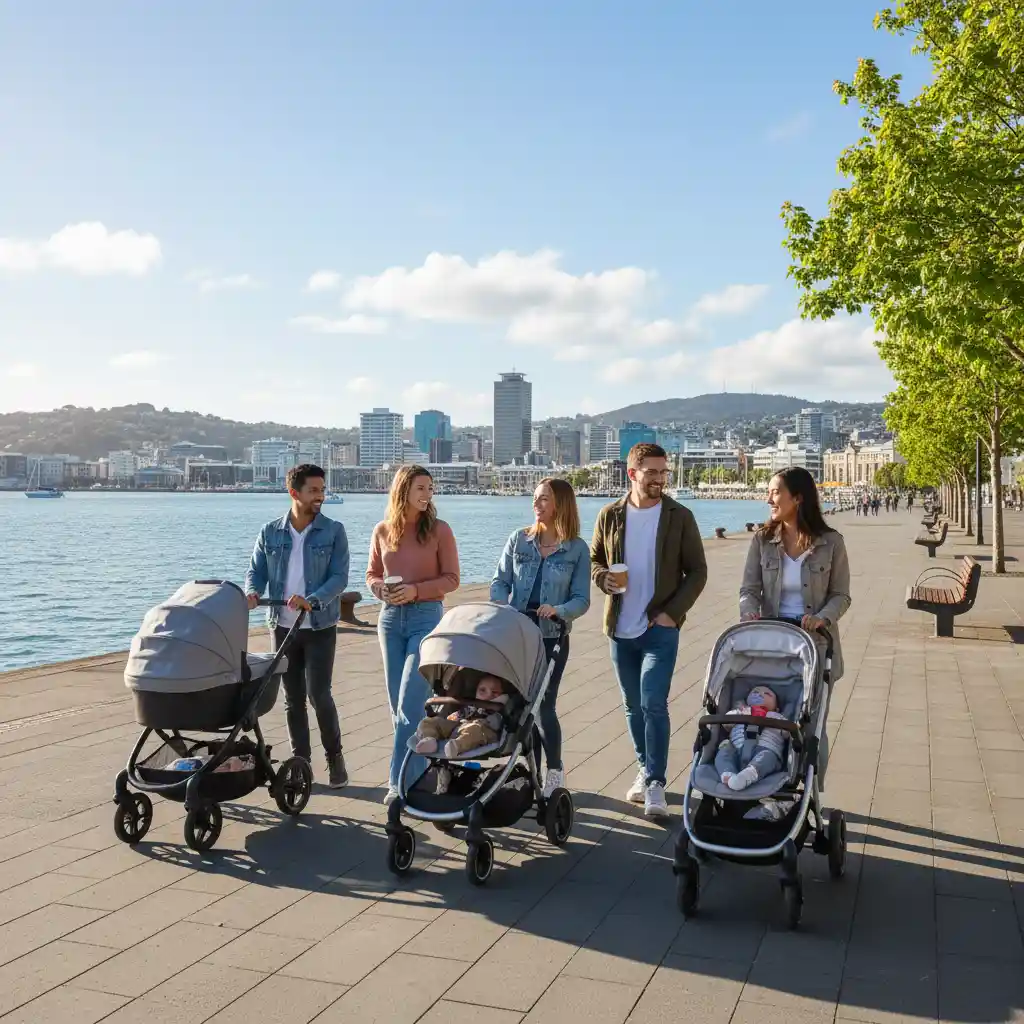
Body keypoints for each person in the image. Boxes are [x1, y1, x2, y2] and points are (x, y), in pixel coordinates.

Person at [591, 443, 708, 820]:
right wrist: (602, 578)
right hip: (619, 627)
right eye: (653, 472)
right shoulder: (610, 515)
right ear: (633, 473)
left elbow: (698, 571)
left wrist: (672, 613)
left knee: (653, 702)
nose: (660, 479)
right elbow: (595, 559)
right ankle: (644, 768)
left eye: (664, 472)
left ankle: (656, 781)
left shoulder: (679, 516)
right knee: (631, 705)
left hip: (660, 627)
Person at [739, 467, 852, 779]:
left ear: (798, 498)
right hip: (772, 644)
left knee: (811, 724)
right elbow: (749, 590)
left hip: (814, 645)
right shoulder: (762, 541)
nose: (768, 498)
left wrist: (821, 618)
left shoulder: (831, 543)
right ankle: (764, 775)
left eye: (775, 492)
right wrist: (748, 612)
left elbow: (841, 595)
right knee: (769, 718)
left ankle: (808, 789)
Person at [245, 463, 349, 788]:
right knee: (293, 698)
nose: (321, 496)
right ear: (294, 493)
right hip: (282, 627)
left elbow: (339, 578)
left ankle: (335, 757)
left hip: (319, 626)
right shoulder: (270, 532)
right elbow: (256, 570)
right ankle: (300, 765)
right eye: (314, 490)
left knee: (320, 695)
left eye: (322, 490)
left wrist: (312, 599)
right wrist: (252, 591)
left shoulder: (334, 531)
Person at [490, 477, 591, 796]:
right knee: (518, 705)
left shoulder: (576, 549)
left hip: (551, 636)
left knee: (544, 705)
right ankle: (530, 770)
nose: (536, 503)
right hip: (517, 635)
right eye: (535, 498)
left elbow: (581, 599)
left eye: (544, 499)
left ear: (560, 505)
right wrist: (502, 603)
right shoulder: (518, 540)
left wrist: (559, 609)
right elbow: (499, 582)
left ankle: (555, 770)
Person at [367, 465, 460, 804]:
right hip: (389, 621)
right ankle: (422, 771)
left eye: (430, 488)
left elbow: (452, 579)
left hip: (426, 620)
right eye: (421, 487)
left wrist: (415, 592)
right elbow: (372, 574)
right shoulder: (382, 530)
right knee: (399, 707)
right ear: (403, 489)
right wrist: (382, 590)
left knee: (409, 703)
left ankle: (398, 784)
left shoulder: (439, 530)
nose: (428, 494)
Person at [413, 674, 509, 757]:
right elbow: (456, 716)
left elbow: (496, 725)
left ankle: (456, 746)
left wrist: (495, 706)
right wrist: (450, 719)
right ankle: (429, 739)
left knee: (476, 729)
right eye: (482, 690)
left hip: (479, 733)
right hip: (458, 727)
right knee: (428, 721)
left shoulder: (497, 711)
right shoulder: (470, 706)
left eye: (495, 692)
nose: (488, 695)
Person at [715, 684, 788, 791]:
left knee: (768, 758)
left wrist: (788, 725)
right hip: (736, 749)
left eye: (767, 694)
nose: (760, 695)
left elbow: (787, 733)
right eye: (755, 692)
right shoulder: (740, 712)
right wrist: (738, 712)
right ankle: (728, 773)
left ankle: (749, 774)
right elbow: (726, 724)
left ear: (776, 708)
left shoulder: (776, 716)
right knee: (724, 750)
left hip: (764, 748)